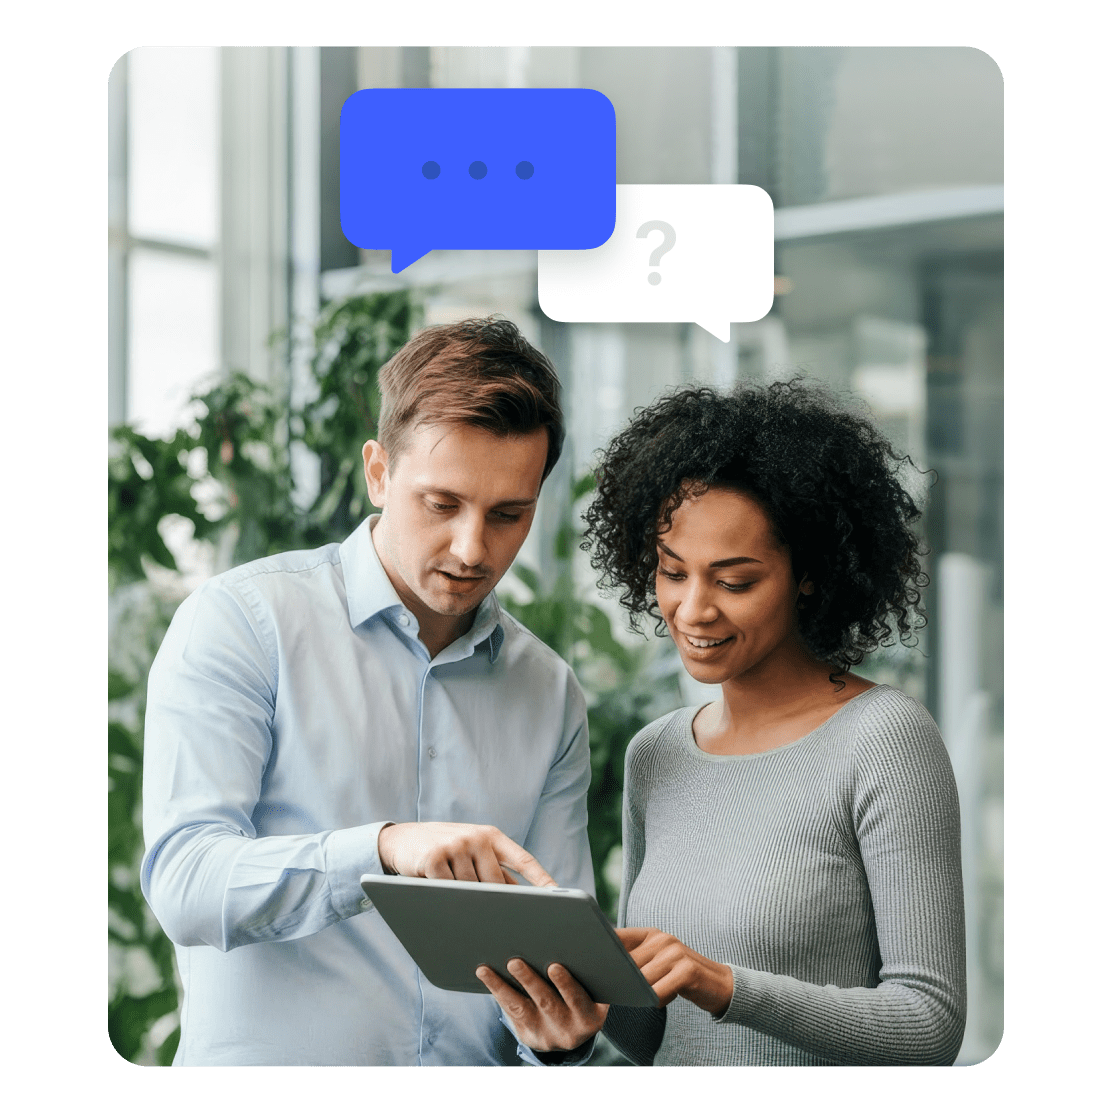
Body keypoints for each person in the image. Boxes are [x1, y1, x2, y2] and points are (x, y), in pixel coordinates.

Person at [140, 318, 603, 1067]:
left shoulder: (548, 692)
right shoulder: (242, 624)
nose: (472, 549)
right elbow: (186, 882)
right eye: (442, 503)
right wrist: (382, 850)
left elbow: (554, 959)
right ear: (379, 472)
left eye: (508, 514)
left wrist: (559, 1040)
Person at [572, 379, 966, 1067]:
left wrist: (726, 985)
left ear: (808, 574)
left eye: (734, 581)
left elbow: (930, 1023)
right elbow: (652, 1039)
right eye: (672, 571)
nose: (693, 610)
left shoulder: (884, 739)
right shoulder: (655, 754)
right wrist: (588, 987)